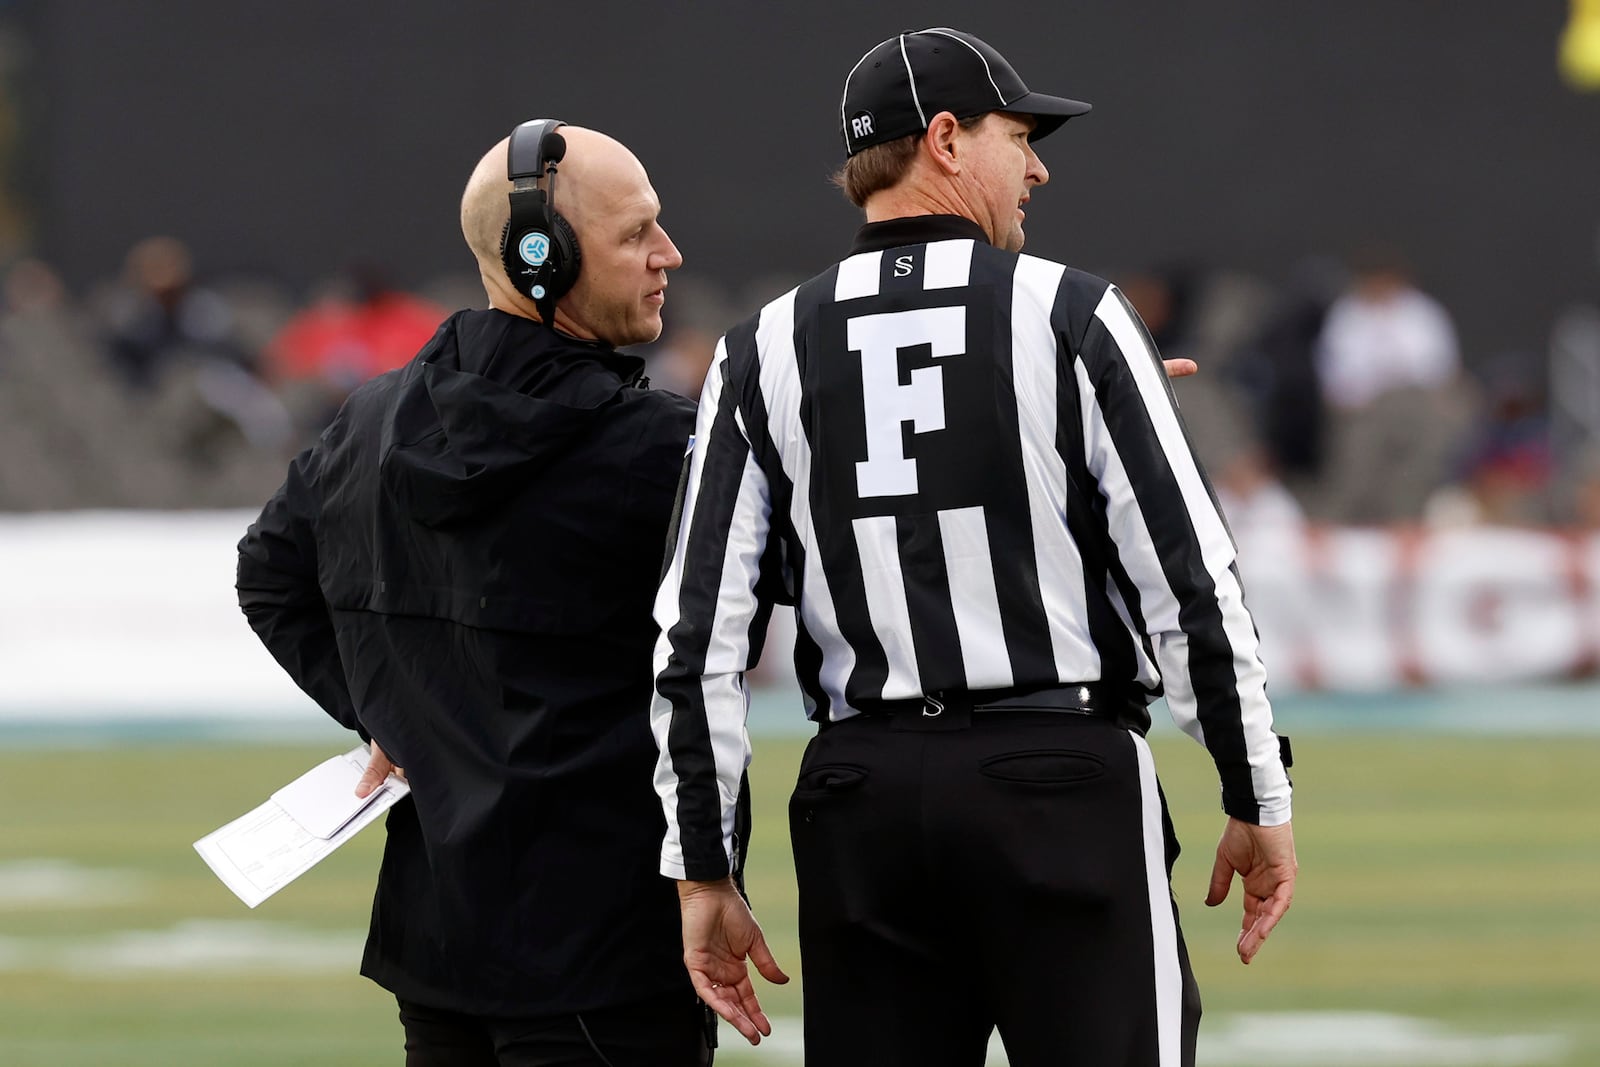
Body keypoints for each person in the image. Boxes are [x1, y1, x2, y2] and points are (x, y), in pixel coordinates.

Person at [649, 28, 1297, 1067]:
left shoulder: (759, 344)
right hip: (1055, 776)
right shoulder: (1071, 312)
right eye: (1017, 135)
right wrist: (1253, 788)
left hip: (857, 793)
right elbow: (1190, 581)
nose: (1037, 165)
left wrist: (703, 865)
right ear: (945, 140)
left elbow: (697, 639)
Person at [236, 120, 713, 1066]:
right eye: (636, 234)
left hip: (436, 941)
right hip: (606, 953)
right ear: (546, 256)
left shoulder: (371, 416)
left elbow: (268, 576)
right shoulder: (657, 447)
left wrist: (389, 716)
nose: (670, 254)